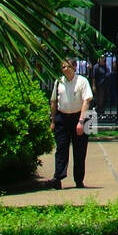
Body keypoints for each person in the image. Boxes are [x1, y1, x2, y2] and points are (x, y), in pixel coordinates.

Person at [49, 57, 93, 189]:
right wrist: (53, 120)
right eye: (62, 67)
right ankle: (58, 177)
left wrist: (81, 122)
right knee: (61, 148)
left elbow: (86, 101)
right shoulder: (59, 82)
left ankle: (79, 180)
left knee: (80, 150)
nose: (64, 69)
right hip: (62, 117)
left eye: (66, 66)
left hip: (80, 116)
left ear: (74, 67)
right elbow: (53, 101)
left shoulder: (82, 81)